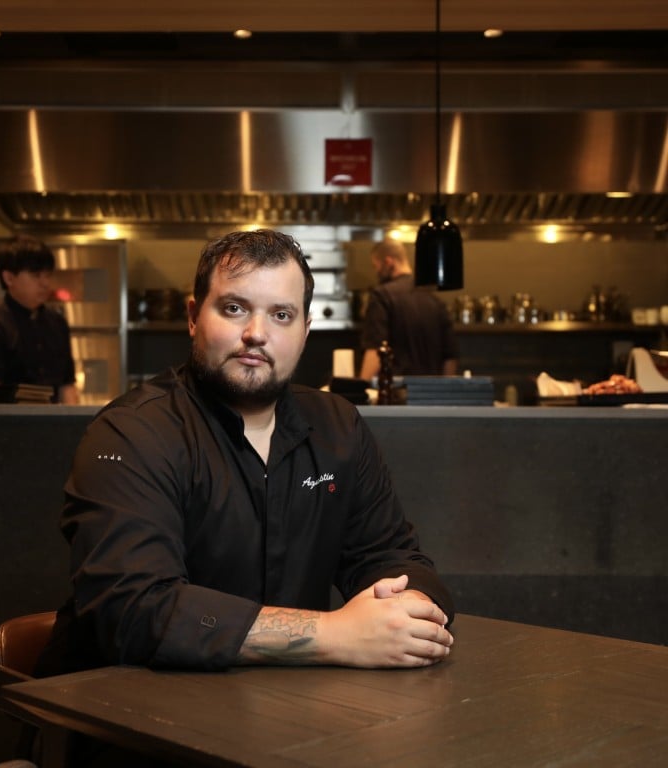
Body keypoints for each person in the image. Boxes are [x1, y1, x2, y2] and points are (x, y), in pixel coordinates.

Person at [40, 228, 453, 673]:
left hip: (286, 718)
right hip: (134, 719)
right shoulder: (132, 433)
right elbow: (132, 608)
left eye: (281, 314)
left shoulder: (338, 427)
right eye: (235, 308)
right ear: (194, 316)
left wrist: (408, 609)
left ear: (305, 331)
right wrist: (334, 634)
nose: (257, 333)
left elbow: (393, 556)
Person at [0, 236, 80, 404]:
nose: (45, 283)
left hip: (53, 424)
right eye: (36, 275)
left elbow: (67, 386)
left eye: (47, 275)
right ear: (9, 278)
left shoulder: (57, 323)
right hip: (9, 426)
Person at [359, 239, 457, 380]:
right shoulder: (435, 301)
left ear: (388, 262)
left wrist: (361, 391)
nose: (377, 273)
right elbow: (450, 357)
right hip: (431, 394)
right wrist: (445, 391)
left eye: (377, 267)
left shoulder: (382, 296)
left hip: (396, 392)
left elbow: (375, 350)